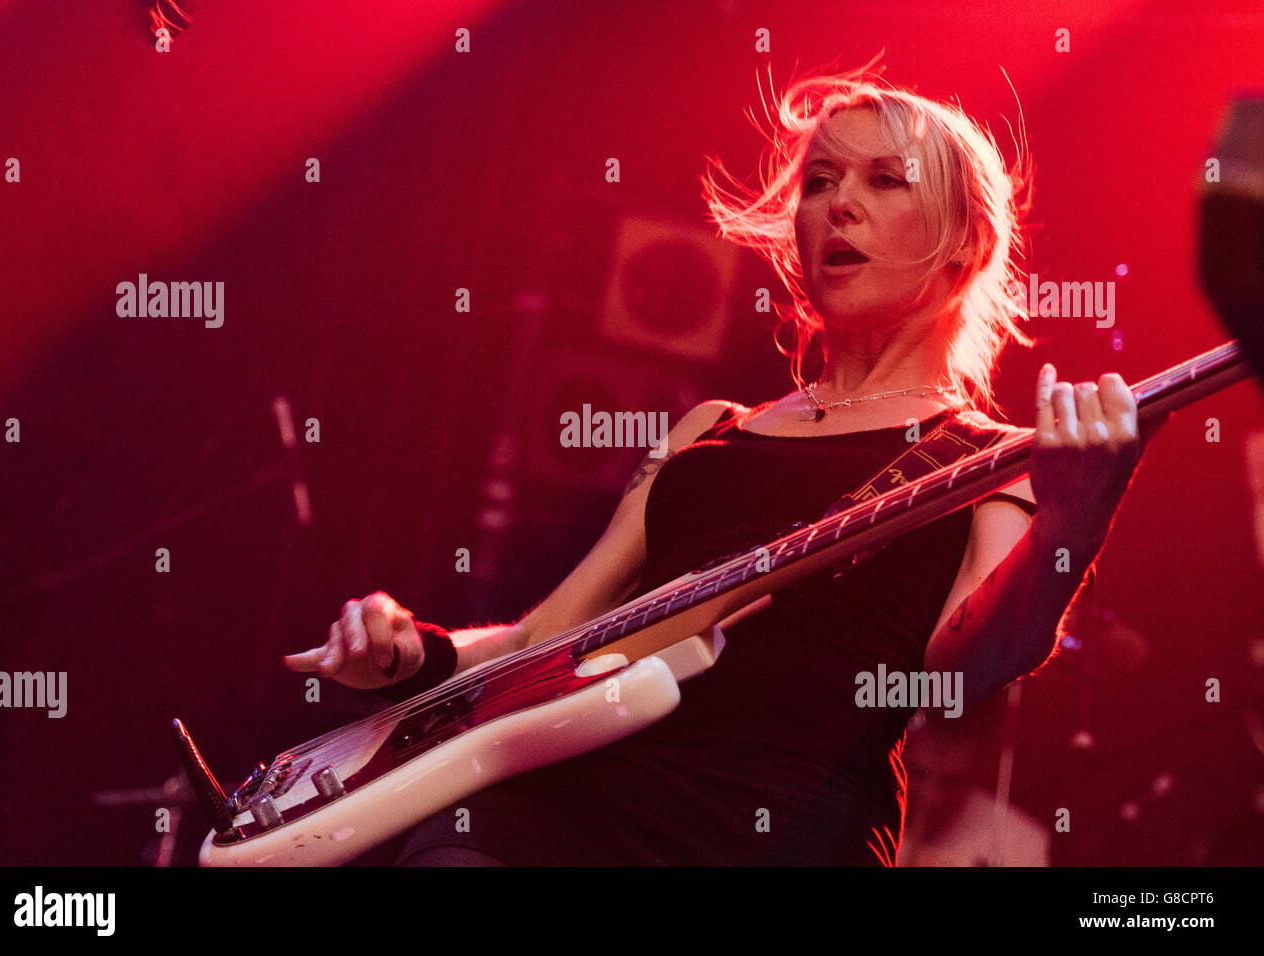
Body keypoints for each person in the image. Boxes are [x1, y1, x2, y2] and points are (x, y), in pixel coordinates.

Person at [284, 66, 1163, 865]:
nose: (836, 205)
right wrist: (414, 655)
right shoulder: (712, 430)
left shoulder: (985, 464)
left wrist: (1074, 519)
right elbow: (544, 642)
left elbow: (967, 667)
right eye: (820, 183)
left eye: (884, 180)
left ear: (967, 243)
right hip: (568, 814)